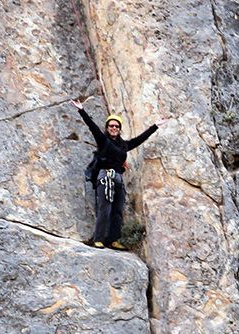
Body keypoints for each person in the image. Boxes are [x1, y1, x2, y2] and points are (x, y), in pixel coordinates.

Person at [71, 100, 168, 250]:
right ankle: (98, 239)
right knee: (105, 208)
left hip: (118, 179)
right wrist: (82, 110)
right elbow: (92, 127)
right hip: (105, 177)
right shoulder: (103, 140)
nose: (114, 128)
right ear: (107, 128)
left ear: (120, 129)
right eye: (111, 126)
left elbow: (139, 140)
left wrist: (155, 126)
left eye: (116, 126)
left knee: (117, 210)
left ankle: (113, 239)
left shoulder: (123, 145)